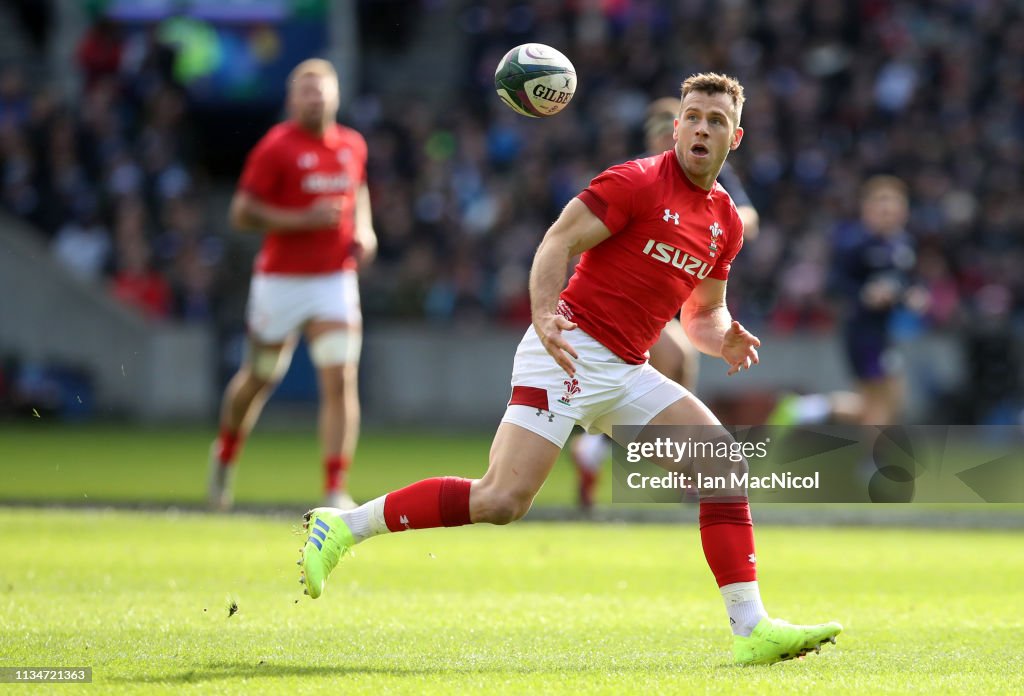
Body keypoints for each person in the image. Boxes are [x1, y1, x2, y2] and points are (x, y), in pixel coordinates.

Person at [298, 73, 840, 665]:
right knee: (502, 499)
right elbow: (556, 242)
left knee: (721, 466)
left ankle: (750, 628)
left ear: (734, 137)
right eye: (692, 116)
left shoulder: (725, 222)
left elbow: (702, 313)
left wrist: (725, 338)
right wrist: (544, 313)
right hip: (569, 351)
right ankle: (345, 526)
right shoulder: (635, 181)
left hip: (628, 369)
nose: (701, 128)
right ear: (677, 124)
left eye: (715, 120)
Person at [571, 96, 761, 509]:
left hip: (677, 296)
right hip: (624, 305)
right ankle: (664, 460)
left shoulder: (717, 182)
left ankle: (599, 449)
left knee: (677, 362)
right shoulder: (644, 176)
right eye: (677, 126)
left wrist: (719, 228)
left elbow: (748, 218)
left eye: (708, 122)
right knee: (667, 358)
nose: (697, 133)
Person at [207, 59, 377, 511]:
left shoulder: (352, 145)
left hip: (333, 279)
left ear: (336, 95)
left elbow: (357, 192)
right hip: (280, 281)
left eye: (321, 89)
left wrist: (366, 230)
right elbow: (241, 212)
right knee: (260, 377)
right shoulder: (276, 147)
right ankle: (225, 453)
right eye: (305, 90)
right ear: (291, 99)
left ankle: (335, 485)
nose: (314, 97)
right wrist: (302, 219)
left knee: (340, 378)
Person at [768, 175, 922, 427]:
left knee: (880, 404)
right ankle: (875, 463)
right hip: (862, 333)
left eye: (893, 206)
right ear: (867, 209)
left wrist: (914, 296)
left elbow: (904, 282)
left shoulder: (903, 245)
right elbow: (833, 286)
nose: (888, 212)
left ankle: (805, 409)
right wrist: (864, 294)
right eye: (881, 206)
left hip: (885, 332)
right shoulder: (854, 243)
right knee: (883, 398)